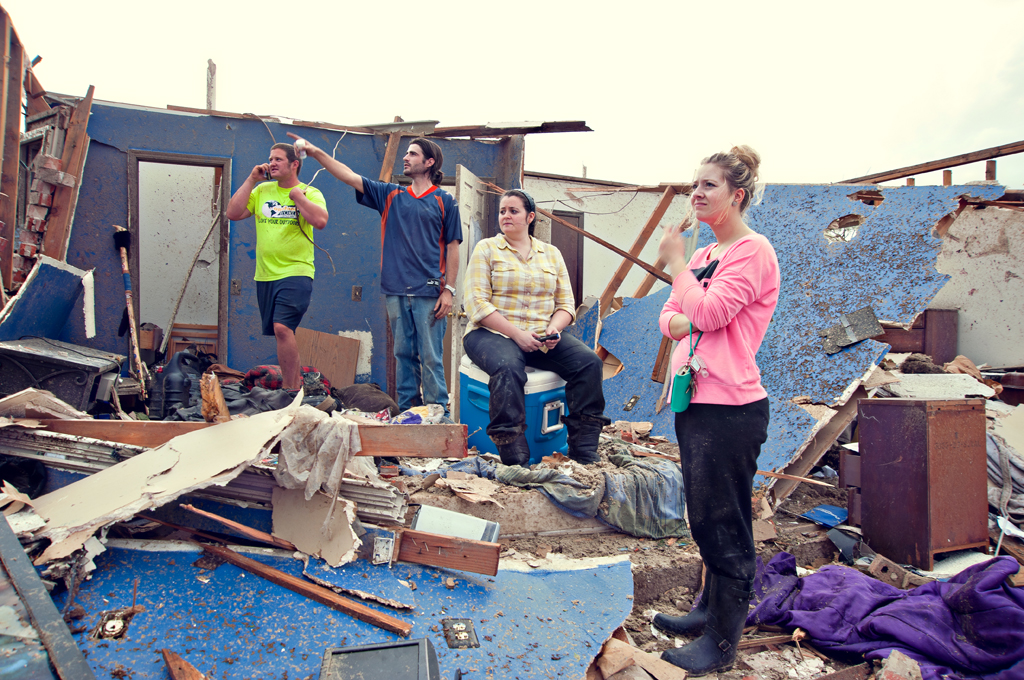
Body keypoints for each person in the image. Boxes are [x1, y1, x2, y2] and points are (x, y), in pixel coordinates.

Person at [651, 146, 780, 674]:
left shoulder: (753, 251)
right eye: (695, 184)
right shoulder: (707, 255)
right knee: (704, 517)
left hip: (731, 408)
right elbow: (669, 316)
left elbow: (707, 311)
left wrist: (677, 266)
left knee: (725, 524)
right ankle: (708, 610)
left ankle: (723, 643)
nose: (697, 193)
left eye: (709, 185)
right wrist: (691, 308)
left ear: (737, 195)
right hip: (696, 400)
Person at [286, 133, 461, 413]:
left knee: (431, 357)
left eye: (413, 153)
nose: (405, 157)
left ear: (430, 162)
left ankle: (437, 414)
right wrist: (315, 151)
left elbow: (453, 247)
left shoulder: (445, 201)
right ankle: (408, 413)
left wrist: (449, 290)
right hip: (395, 290)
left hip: (430, 291)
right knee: (403, 355)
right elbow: (347, 175)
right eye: (406, 152)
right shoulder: (390, 194)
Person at [461, 189, 609, 466]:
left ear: (530, 217)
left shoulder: (551, 254)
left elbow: (566, 305)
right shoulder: (487, 249)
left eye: (513, 211)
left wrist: (553, 329)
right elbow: (476, 304)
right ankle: (514, 453)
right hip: (490, 334)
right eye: (503, 211)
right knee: (507, 366)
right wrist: (516, 334)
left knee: (589, 363)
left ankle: (583, 450)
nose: (506, 215)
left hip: (540, 335)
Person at [225, 143, 329, 390]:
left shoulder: (310, 192)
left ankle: (290, 390)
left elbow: (320, 221)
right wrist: (251, 179)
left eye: (278, 159)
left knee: (282, 328)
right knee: (280, 330)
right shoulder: (262, 190)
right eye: (270, 159)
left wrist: (298, 197)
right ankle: (292, 387)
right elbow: (233, 213)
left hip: (296, 271)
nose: (271, 163)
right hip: (265, 274)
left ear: (294, 164)